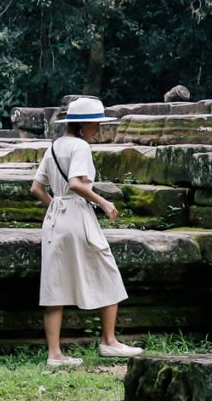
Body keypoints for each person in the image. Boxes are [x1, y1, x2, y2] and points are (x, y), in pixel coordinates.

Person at [29, 96, 141, 367]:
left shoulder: (54, 146)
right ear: (82, 125)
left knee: (55, 284)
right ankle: (109, 341)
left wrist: (55, 205)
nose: (98, 130)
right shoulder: (80, 146)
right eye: (95, 125)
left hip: (56, 216)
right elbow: (76, 183)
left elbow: (36, 188)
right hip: (78, 214)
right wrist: (103, 202)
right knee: (108, 271)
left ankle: (55, 354)